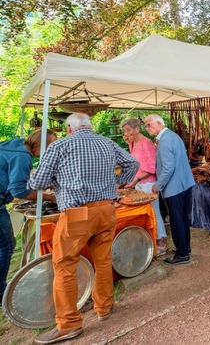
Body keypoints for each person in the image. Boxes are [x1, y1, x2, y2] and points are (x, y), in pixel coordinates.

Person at [29, 114, 138, 344]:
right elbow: (132, 163)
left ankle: (68, 324)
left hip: (77, 213)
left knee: (65, 265)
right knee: (103, 260)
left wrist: (56, 181)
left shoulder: (59, 145)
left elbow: (37, 183)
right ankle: (104, 307)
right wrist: (116, 185)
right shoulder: (107, 143)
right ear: (89, 126)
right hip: (107, 209)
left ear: (69, 128)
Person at [0, 129, 57, 302]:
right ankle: (1, 292)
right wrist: (49, 197)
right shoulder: (22, 156)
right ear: (39, 144)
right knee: (7, 245)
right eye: (50, 146)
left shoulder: (14, 145)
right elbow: (18, 190)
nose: (51, 150)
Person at [144, 114, 195, 265]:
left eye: (149, 125)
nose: (147, 128)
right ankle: (185, 247)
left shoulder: (165, 140)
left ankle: (182, 254)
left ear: (159, 124)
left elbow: (168, 168)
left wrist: (157, 185)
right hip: (184, 183)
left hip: (175, 187)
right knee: (183, 218)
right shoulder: (172, 136)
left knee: (177, 220)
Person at [120, 118, 168, 256]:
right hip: (139, 183)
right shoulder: (133, 143)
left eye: (129, 130)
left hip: (149, 183)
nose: (127, 133)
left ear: (137, 129)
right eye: (125, 131)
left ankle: (161, 241)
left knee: (154, 211)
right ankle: (151, 239)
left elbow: (152, 168)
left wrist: (135, 181)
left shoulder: (146, 143)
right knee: (145, 213)